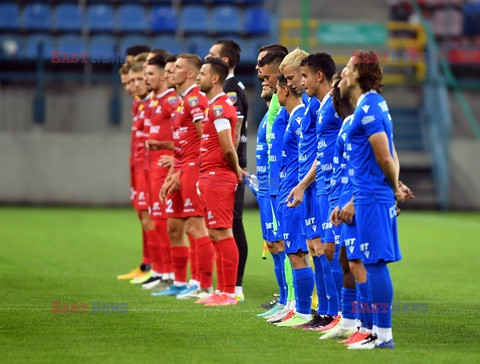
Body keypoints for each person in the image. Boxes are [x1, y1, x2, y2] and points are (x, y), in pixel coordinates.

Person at [340, 50, 413, 349]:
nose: (343, 73)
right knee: (369, 263)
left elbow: (384, 155)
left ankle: (383, 335)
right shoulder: (371, 106)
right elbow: (389, 153)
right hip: (368, 195)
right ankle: (373, 332)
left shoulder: (369, 107)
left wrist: (393, 187)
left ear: (359, 73)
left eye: (347, 68)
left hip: (372, 197)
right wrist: (395, 184)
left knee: (375, 264)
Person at [286, 53, 342, 330]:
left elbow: (349, 144)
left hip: (334, 187)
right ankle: (327, 312)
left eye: (304, 76)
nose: (301, 82)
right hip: (320, 185)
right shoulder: (321, 107)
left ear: (319, 76)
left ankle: (342, 314)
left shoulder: (335, 104)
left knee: (331, 250)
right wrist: (304, 183)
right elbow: (322, 152)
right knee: (320, 249)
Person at [154, 54, 214, 298]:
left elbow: (205, 139)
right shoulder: (183, 101)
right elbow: (181, 144)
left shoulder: (195, 100)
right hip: (183, 169)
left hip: (194, 168)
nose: (170, 72)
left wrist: (189, 169)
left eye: (177, 67)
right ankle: (188, 282)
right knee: (184, 226)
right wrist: (174, 172)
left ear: (190, 73)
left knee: (196, 226)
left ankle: (204, 284)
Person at [194, 57, 245, 306]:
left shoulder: (220, 107)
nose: (197, 77)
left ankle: (229, 293)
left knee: (223, 232)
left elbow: (228, 146)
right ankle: (221, 291)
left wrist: (236, 170)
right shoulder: (212, 106)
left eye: (202, 74)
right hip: (209, 175)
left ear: (215, 78)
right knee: (215, 233)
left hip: (218, 176)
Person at [207, 40, 249, 302]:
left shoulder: (230, 90)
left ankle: (234, 287)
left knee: (231, 225)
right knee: (224, 226)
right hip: (226, 166)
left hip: (229, 168)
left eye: (211, 55)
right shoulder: (228, 89)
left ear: (223, 61)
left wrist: (233, 166)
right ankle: (226, 287)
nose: (206, 57)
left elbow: (233, 133)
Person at [272, 74, 313, 327]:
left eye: (277, 88)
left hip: (295, 197)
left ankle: (304, 311)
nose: (276, 94)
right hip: (289, 193)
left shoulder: (300, 117)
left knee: (299, 254)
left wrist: (300, 188)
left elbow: (310, 156)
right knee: (295, 253)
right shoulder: (293, 118)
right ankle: (297, 308)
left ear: (285, 89)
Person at [141, 55, 178, 290]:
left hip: (166, 167)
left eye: (150, 74)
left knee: (168, 222)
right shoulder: (156, 100)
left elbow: (186, 135)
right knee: (158, 220)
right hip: (152, 167)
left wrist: (174, 155)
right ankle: (162, 271)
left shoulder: (172, 101)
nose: (146, 79)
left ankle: (173, 274)